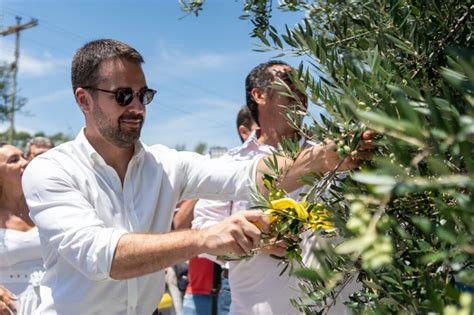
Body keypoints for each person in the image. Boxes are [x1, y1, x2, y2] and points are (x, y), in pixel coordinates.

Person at [22, 39, 373, 315]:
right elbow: (103, 256)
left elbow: (249, 174)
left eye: (144, 95)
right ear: (83, 100)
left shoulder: (167, 163)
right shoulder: (51, 169)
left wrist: (323, 157)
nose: (138, 108)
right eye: (123, 96)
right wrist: (205, 238)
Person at [192, 60, 364, 314]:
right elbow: (203, 233)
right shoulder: (230, 164)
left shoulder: (337, 154)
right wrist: (256, 238)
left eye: (302, 86)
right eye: (290, 84)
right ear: (259, 94)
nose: (301, 94)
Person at [0, 142, 44, 315]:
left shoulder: (43, 203)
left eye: (24, 156)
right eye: (14, 160)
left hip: (56, 301)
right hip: (9, 307)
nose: (25, 162)